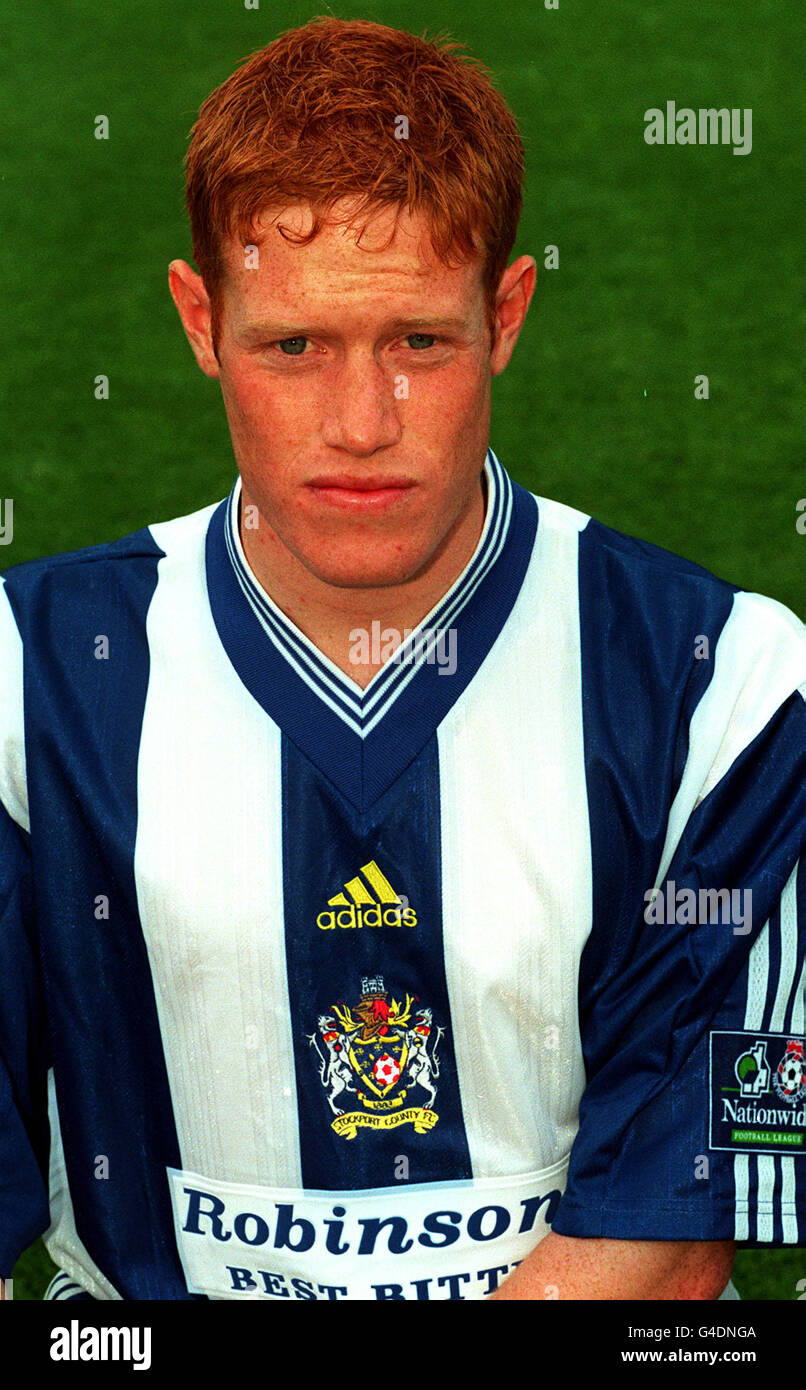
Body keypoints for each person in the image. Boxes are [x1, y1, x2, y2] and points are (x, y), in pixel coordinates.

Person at [1, 16, 804, 1303]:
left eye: (418, 343)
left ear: (508, 309)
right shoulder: (23, 677)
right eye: (293, 346)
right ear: (201, 321)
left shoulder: (727, 689)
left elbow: (662, 1239)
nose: (361, 424)